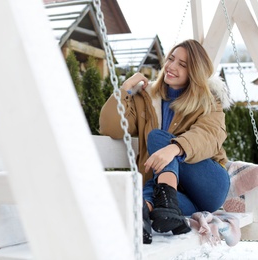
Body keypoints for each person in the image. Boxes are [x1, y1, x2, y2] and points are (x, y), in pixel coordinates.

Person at [99, 39, 232, 244]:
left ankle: (161, 202)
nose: (172, 66)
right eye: (171, 59)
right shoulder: (145, 99)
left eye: (182, 64)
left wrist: (175, 148)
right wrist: (124, 89)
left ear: (194, 73)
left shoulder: (209, 102)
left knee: (156, 136)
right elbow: (111, 127)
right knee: (148, 199)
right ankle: (144, 212)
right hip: (179, 199)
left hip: (209, 185)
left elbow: (209, 134)